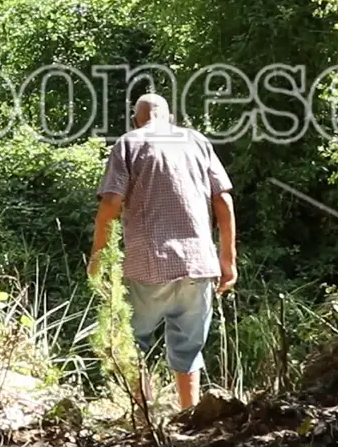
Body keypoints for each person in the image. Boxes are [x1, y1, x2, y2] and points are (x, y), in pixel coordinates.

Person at [87, 92, 237, 410]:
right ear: (170, 118)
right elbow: (223, 201)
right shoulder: (197, 142)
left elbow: (110, 205)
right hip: (199, 263)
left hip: (148, 265)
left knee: (132, 344)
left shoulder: (128, 143)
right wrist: (228, 260)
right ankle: (189, 416)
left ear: (135, 119)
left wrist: (98, 257)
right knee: (188, 350)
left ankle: (145, 419)